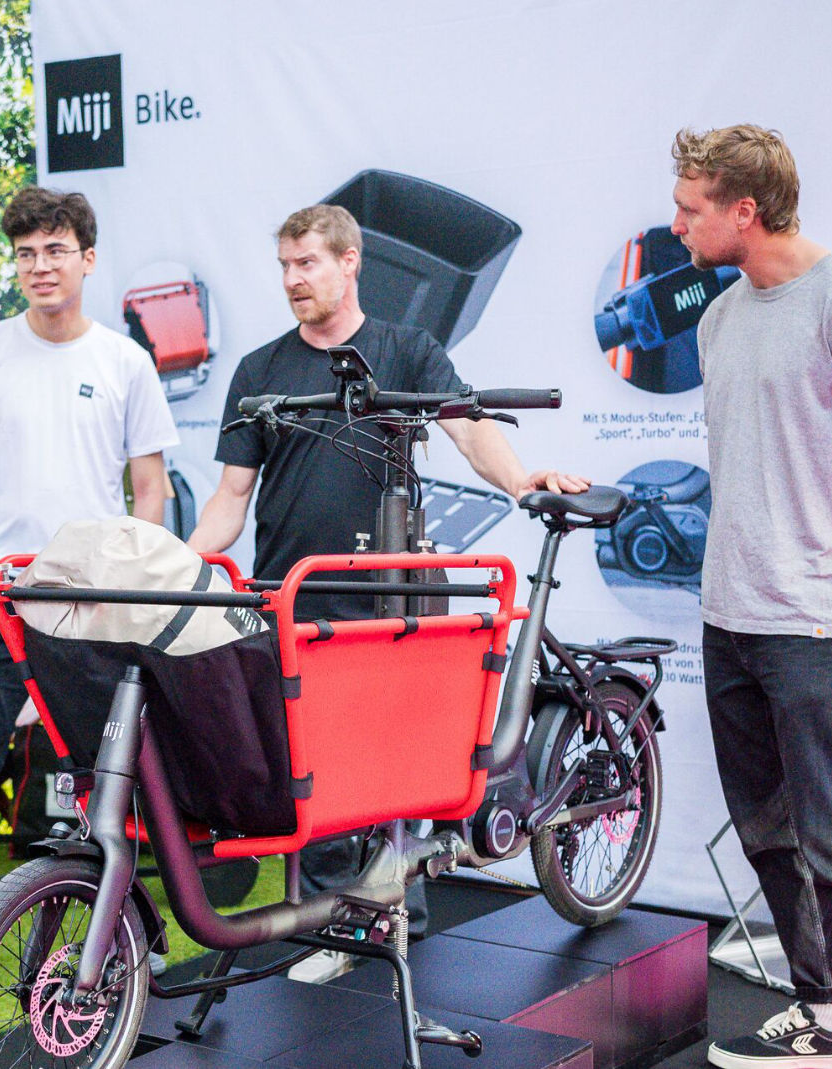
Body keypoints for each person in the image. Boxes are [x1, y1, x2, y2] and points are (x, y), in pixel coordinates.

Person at [187, 203, 585, 979]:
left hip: (393, 593)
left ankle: (386, 916)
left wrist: (520, 477)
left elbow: (470, 429)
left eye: (307, 263)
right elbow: (229, 499)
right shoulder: (261, 370)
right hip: (291, 595)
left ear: (351, 262)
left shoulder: (407, 349)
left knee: (389, 763)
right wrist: (172, 558)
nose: (294, 279)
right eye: (284, 266)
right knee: (314, 767)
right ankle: (357, 918)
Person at [672, 125, 832, 1069]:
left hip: (819, 618)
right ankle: (823, 1007)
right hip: (729, 613)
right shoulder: (720, 317)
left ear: (745, 210)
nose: (676, 224)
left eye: (691, 208)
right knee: (767, 829)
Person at [0, 187, 179, 997]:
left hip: (92, 592)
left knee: (105, 767)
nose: (39, 265)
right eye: (26, 252)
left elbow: (149, 486)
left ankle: (132, 922)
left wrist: (132, 573)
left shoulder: (125, 360)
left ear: (87, 258)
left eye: (55, 249)